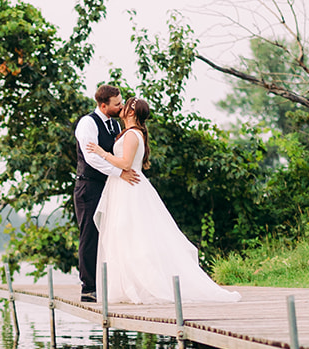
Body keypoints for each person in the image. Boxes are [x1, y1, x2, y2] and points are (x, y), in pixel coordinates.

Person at [87, 98, 241, 306]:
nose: (122, 107)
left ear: (132, 113)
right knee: (122, 235)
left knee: (133, 235)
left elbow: (125, 163)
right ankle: (126, 285)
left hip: (129, 187)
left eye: (127, 105)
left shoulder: (133, 134)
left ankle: (145, 284)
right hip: (121, 187)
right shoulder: (128, 133)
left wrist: (102, 153)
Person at [74, 85, 140, 302]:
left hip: (109, 187)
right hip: (89, 186)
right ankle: (89, 288)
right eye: (117, 104)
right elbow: (92, 157)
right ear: (103, 105)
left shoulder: (113, 124)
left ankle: (109, 284)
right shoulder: (87, 123)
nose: (121, 107)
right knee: (90, 234)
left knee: (110, 235)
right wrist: (119, 173)